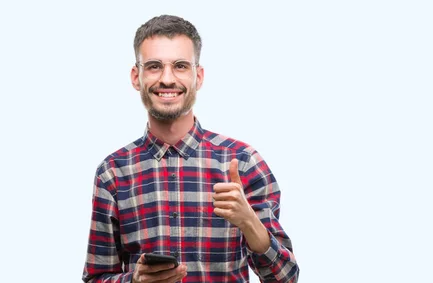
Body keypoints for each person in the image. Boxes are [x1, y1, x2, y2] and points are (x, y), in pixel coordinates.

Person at [81, 14, 299, 283]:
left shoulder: (243, 162)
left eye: (181, 66)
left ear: (199, 76)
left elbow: (286, 277)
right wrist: (133, 281)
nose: (167, 79)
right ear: (136, 77)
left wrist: (249, 222)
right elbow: (96, 277)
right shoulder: (112, 173)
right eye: (154, 66)